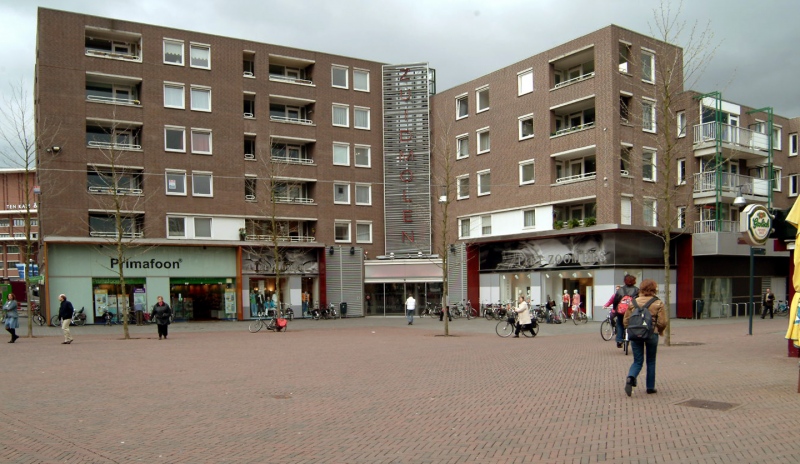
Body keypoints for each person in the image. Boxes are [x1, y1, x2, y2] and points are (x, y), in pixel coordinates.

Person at [623, 279, 668, 396]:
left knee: (637, 361)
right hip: (652, 333)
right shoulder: (658, 303)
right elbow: (663, 322)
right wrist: (660, 330)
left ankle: (630, 377)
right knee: (651, 361)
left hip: (636, 334)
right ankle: (650, 387)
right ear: (654, 289)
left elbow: (626, 320)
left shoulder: (634, 302)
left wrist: (630, 329)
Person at [614, 276, 639, 348]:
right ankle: (633, 338)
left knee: (619, 324)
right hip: (632, 311)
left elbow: (615, 301)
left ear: (624, 281)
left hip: (621, 311)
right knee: (633, 324)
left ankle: (619, 340)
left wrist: (615, 310)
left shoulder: (620, 290)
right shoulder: (637, 290)